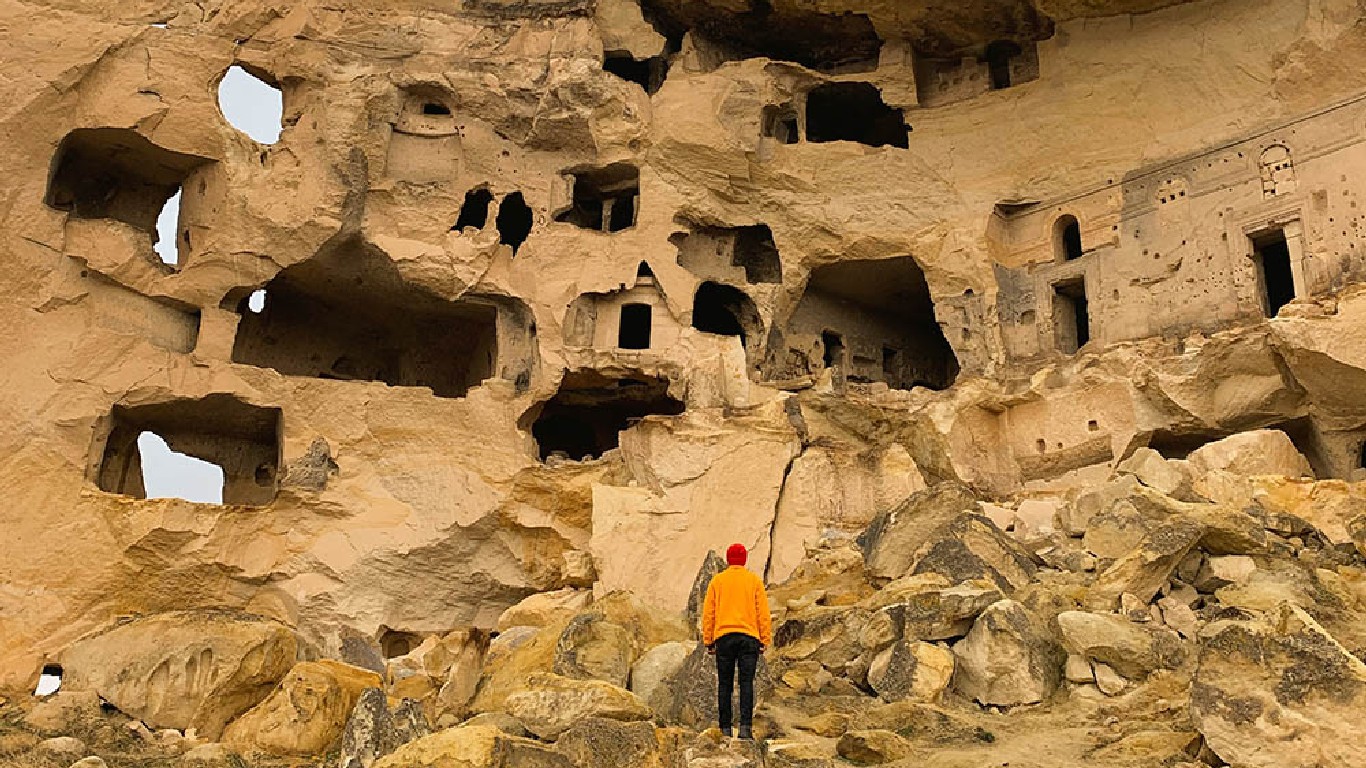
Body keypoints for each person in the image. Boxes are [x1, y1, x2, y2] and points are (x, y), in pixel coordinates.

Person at [701, 543, 772, 740]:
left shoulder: (718, 581)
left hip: (724, 638)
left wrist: (709, 640)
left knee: (725, 684)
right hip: (749, 638)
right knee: (746, 683)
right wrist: (764, 638)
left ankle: (725, 729)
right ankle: (745, 729)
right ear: (744, 560)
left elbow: (709, 614)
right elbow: (763, 614)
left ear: (728, 558)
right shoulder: (754, 581)